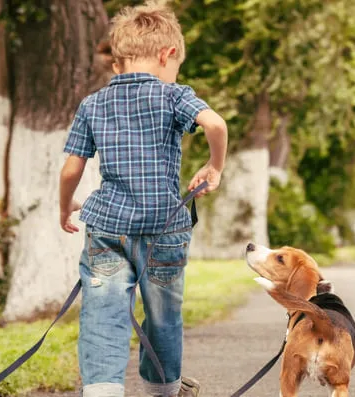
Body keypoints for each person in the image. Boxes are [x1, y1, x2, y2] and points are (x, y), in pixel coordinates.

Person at [58, 2, 228, 396]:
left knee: (103, 314)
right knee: (163, 317)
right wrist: (214, 166)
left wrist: (64, 206)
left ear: (118, 60)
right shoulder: (173, 96)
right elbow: (215, 123)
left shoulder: (93, 104)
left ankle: (102, 391)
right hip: (164, 230)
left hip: (108, 230)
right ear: (168, 53)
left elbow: (71, 169)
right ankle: (163, 391)